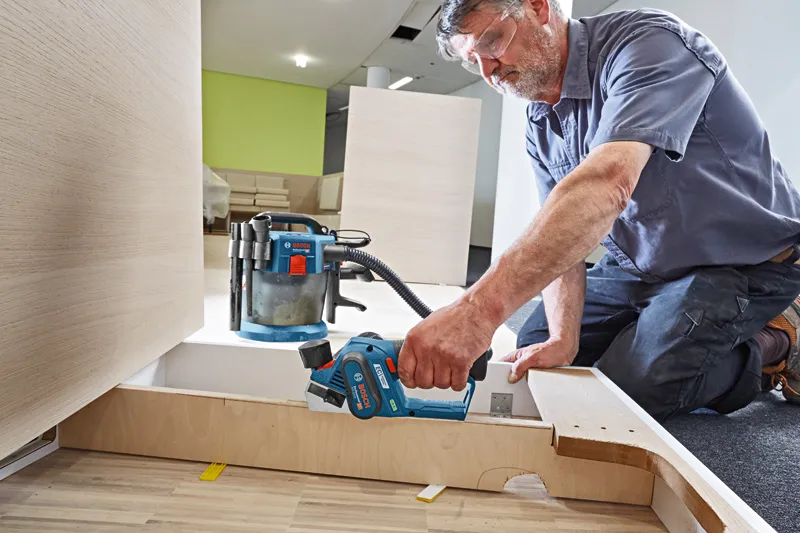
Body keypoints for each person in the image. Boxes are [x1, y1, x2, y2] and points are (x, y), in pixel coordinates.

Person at [396, 0, 800, 421]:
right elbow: (559, 227)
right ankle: (671, 334)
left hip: (741, 263)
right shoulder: (541, 119)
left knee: (630, 389)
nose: (488, 71)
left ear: (537, 7)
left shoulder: (649, 44)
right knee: (539, 345)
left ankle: (775, 342)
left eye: (492, 42)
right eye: (472, 62)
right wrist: (563, 338)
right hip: (640, 266)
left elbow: (608, 183)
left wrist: (476, 311)